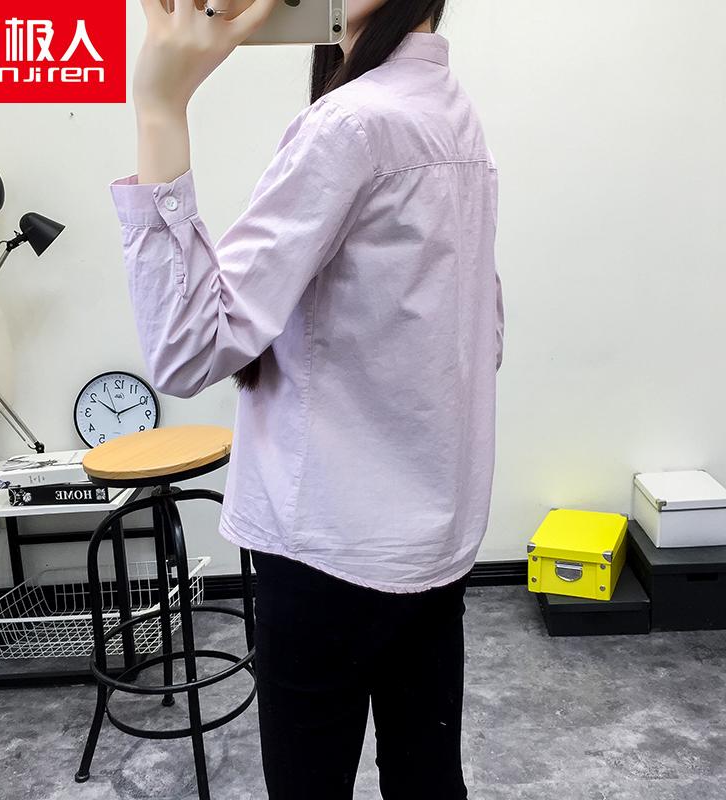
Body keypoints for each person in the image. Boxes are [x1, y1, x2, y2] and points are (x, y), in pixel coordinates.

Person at [111, 0, 504, 797]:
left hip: (327, 548)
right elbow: (482, 333)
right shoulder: (451, 112)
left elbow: (188, 349)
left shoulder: (351, 124)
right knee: (428, 779)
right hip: (433, 536)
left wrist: (159, 107)